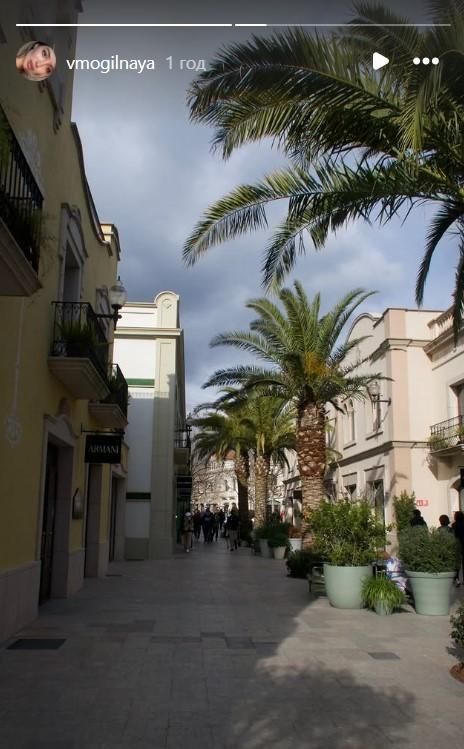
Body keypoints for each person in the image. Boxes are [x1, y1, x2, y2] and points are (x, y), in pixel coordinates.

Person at [452, 510, 464, 585]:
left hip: (458, 544)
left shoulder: (454, 525)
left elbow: (454, 535)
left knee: (457, 562)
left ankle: (457, 579)